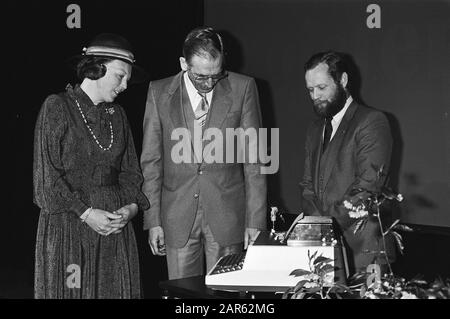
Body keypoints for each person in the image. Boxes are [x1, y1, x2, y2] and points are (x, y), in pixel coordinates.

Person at [141, 27, 267, 279]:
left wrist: (255, 221)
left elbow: (256, 161)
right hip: (176, 218)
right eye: (201, 77)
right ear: (182, 64)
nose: (209, 84)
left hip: (227, 217)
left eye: (216, 75)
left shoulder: (244, 88)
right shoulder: (158, 92)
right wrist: (152, 220)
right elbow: (151, 162)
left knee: (225, 295)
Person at [33, 33, 149, 298]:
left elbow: (132, 173)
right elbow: (45, 181)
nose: (125, 86)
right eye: (120, 76)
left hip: (113, 230)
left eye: (128, 80)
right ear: (96, 68)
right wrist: (86, 213)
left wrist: (129, 210)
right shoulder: (57, 107)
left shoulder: (117, 115)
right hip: (69, 229)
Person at [299, 51, 394, 276]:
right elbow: (307, 185)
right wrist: (319, 231)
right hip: (323, 255)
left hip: (365, 255)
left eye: (321, 88)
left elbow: (368, 187)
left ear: (342, 80)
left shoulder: (372, 121)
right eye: (310, 90)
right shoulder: (315, 129)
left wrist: (325, 227)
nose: (315, 96)